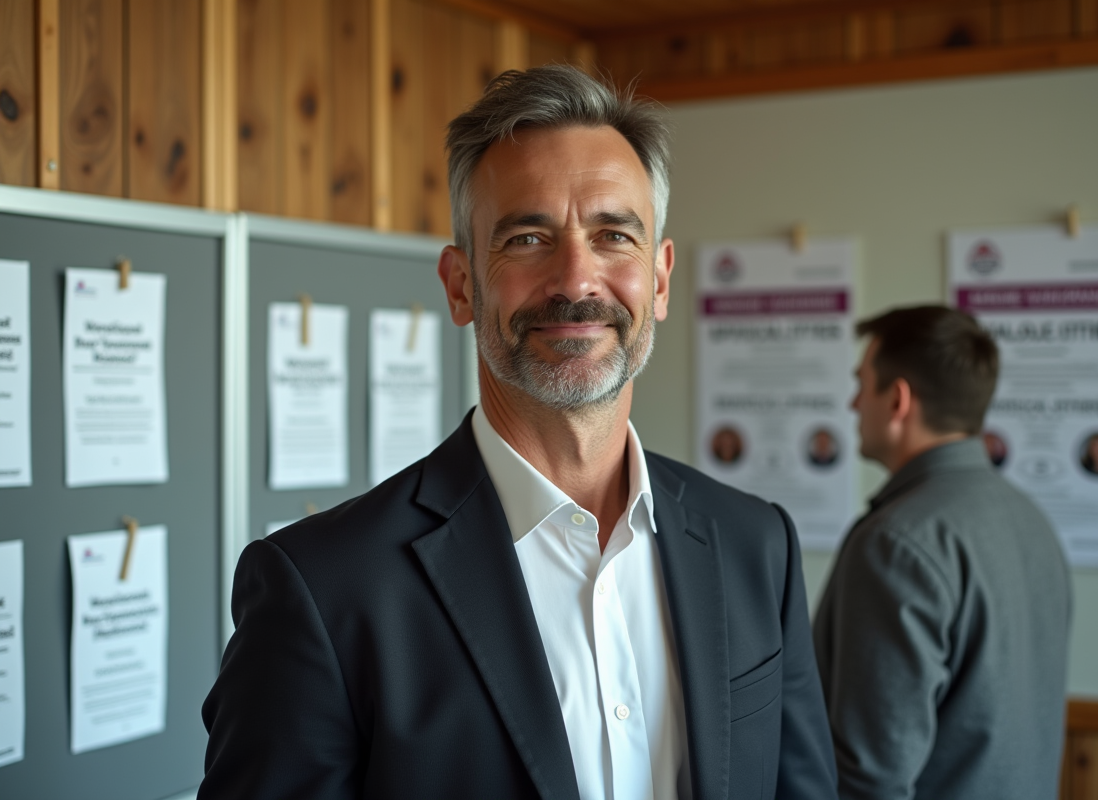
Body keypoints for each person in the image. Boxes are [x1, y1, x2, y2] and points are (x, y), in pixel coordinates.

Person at [200, 66, 837, 800]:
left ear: (659, 280)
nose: (576, 279)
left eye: (613, 236)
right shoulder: (324, 589)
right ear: (461, 284)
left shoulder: (754, 545)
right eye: (529, 238)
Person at [812, 305, 1072, 800]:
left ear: (898, 401)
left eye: (862, 384)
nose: (852, 403)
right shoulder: (1031, 521)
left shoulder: (896, 543)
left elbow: (872, 779)